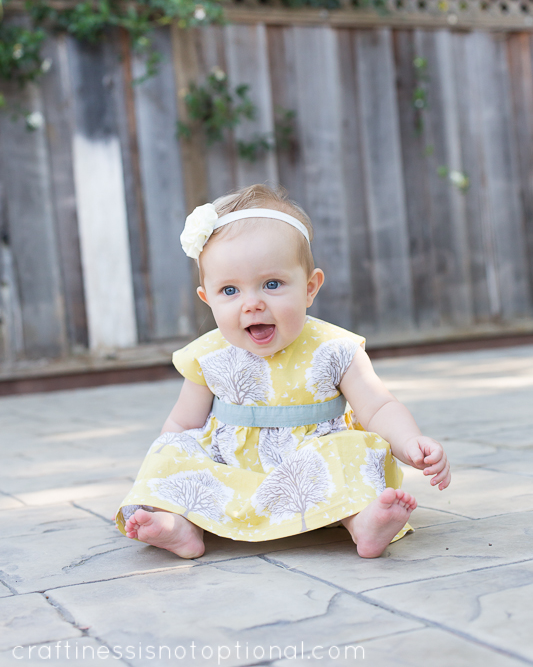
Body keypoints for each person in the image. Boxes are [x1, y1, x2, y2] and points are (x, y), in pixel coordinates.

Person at [116, 184, 450, 559]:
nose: (252, 304)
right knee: (172, 448)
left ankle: (363, 523)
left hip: (311, 472)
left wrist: (409, 442)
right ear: (207, 299)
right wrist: (165, 470)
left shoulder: (334, 349)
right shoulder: (208, 356)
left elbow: (378, 407)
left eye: (272, 284)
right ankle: (180, 525)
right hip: (231, 476)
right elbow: (182, 424)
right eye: (230, 291)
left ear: (309, 288)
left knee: (351, 449)